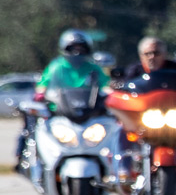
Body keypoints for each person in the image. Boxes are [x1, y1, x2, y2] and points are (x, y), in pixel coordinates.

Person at [117, 36, 176, 193]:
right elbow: (122, 92)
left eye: (156, 53)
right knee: (121, 128)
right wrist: (116, 90)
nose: (152, 57)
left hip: (175, 118)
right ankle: (123, 172)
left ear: (164, 54)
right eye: (147, 53)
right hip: (144, 121)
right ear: (141, 55)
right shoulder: (134, 71)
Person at [16, 29, 110, 168]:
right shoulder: (57, 67)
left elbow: (106, 86)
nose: (77, 53)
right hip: (60, 112)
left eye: (81, 48)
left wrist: (111, 94)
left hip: (88, 112)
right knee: (32, 127)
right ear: (65, 49)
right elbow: (43, 85)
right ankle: (26, 158)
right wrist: (41, 93)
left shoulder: (93, 68)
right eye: (73, 49)